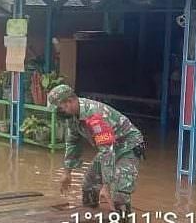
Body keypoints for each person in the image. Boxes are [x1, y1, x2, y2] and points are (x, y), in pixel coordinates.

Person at [48, 84, 145, 214]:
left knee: (120, 191)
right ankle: (90, 217)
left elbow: (107, 151)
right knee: (89, 185)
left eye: (60, 108)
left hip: (127, 145)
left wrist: (106, 185)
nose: (58, 112)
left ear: (69, 102)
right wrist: (67, 172)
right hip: (109, 146)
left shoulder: (95, 116)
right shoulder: (71, 116)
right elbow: (73, 142)